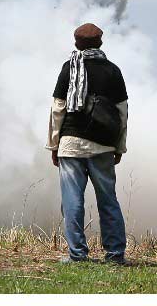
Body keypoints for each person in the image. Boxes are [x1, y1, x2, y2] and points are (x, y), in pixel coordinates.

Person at [49, 22, 128, 265]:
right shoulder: (112, 71)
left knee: (72, 200)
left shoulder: (69, 68)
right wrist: (120, 146)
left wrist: (54, 145)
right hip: (103, 145)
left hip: (70, 144)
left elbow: (58, 109)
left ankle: (77, 255)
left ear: (76, 44)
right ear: (100, 43)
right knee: (108, 199)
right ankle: (115, 255)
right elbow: (122, 112)